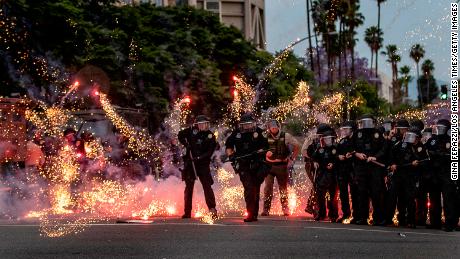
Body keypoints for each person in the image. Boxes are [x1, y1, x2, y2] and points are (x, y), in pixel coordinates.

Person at [225, 113, 269, 222]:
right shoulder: (236, 133)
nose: (247, 126)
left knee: (256, 188)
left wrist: (261, 152)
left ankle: (254, 214)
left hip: (257, 164)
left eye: (249, 124)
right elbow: (229, 145)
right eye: (245, 125)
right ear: (241, 125)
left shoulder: (259, 132)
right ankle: (249, 213)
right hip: (243, 164)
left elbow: (267, 147)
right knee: (249, 188)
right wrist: (231, 155)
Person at [178, 115, 218, 220]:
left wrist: (199, 157)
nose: (204, 126)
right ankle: (187, 212)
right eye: (202, 124)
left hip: (203, 164)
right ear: (197, 125)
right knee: (189, 188)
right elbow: (180, 135)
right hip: (190, 164)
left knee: (207, 186)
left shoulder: (210, 136)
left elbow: (210, 152)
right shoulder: (190, 131)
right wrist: (186, 144)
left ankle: (212, 208)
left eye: (206, 124)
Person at [352, 115, 386, 225]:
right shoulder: (357, 133)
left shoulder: (377, 134)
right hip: (361, 168)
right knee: (362, 193)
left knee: (376, 193)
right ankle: (363, 218)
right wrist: (357, 154)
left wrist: (375, 157)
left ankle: (378, 218)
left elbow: (384, 148)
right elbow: (351, 148)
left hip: (374, 168)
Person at [261, 119, 300, 216]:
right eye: (272, 127)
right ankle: (266, 209)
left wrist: (292, 158)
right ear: (269, 128)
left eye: (275, 127)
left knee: (283, 189)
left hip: (282, 166)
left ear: (278, 127)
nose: (273, 129)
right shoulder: (265, 136)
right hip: (269, 166)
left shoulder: (286, 136)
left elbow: (297, 145)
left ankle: (285, 208)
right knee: (268, 188)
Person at [388, 127, 424, 228]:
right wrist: (392, 164)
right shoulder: (401, 144)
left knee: (410, 198)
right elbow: (392, 154)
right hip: (399, 174)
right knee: (397, 197)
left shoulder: (420, 147)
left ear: (418, 138)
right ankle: (400, 220)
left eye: (413, 137)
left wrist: (417, 163)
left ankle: (411, 221)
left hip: (411, 176)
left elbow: (425, 161)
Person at [425, 119, 457, 231]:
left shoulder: (452, 140)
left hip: (446, 174)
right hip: (434, 174)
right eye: (437, 127)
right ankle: (435, 222)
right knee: (434, 200)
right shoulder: (432, 140)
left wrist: (442, 155)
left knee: (448, 200)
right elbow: (426, 153)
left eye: (441, 128)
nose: (439, 130)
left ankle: (450, 223)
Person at [310, 129, 339, 222]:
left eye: (329, 139)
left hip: (333, 176)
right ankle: (321, 214)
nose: (327, 141)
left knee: (333, 197)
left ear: (332, 139)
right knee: (320, 196)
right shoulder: (320, 149)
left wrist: (334, 164)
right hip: (322, 175)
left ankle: (333, 215)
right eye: (325, 139)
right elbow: (314, 157)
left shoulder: (337, 148)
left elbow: (340, 159)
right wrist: (314, 162)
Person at [336, 120, 358, 223]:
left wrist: (353, 155)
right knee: (343, 194)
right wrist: (338, 156)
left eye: (346, 129)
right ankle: (346, 214)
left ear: (352, 129)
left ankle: (356, 215)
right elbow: (336, 153)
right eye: (343, 129)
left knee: (355, 193)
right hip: (343, 170)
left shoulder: (358, 140)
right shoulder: (342, 141)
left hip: (354, 170)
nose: (344, 131)